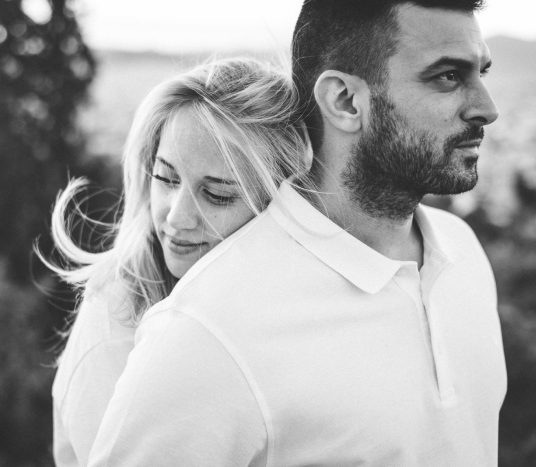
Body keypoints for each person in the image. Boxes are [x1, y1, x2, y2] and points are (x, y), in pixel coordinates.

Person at [88, 0, 507, 466]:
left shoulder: (463, 252)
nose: (486, 108)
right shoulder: (208, 330)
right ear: (345, 101)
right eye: (448, 76)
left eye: (481, 73)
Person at [42, 57, 311, 467]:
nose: (176, 216)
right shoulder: (115, 320)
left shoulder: (295, 307)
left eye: (217, 195)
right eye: (166, 178)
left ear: (281, 202)